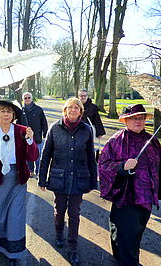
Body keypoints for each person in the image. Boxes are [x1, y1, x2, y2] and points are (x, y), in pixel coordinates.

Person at [98, 104, 161, 266]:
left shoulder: (152, 141)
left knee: (136, 232)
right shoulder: (116, 141)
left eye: (141, 118)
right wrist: (122, 166)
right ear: (126, 120)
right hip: (125, 197)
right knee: (127, 233)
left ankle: (122, 255)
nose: (138, 121)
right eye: (134, 118)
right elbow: (103, 165)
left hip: (146, 198)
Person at [0, 100, 38, 266]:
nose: (6, 114)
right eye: (2, 111)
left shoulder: (22, 131)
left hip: (17, 180)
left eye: (9, 112)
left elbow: (33, 157)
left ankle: (14, 251)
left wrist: (30, 140)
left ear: (14, 115)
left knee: (15, 215)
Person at [38, 97, 97, 266]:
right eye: (70, 108)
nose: (73, 111)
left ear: (80, 111)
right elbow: (46, 155)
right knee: (59, 210)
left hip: (79, 178)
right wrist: (42, 178)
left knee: (75, 213)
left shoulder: (86, 130)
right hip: (59, 178)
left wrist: (94, 181)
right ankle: (58, 233)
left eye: (76, 108)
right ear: (65, 110)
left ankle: (73, 247)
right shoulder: (54, 128)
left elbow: (90, 157)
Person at [18, 92, 48, 178]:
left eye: (29, 97)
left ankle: (38, 171)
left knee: (38, 156)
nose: (27, 99)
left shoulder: (38, 109)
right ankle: (30, 170)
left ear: (32, 98)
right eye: (25, 98)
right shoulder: (21, 111)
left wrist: (45, 134)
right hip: (25, 138)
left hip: (37, 137)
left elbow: (44, 123)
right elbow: (18, 124)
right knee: (28, 155)